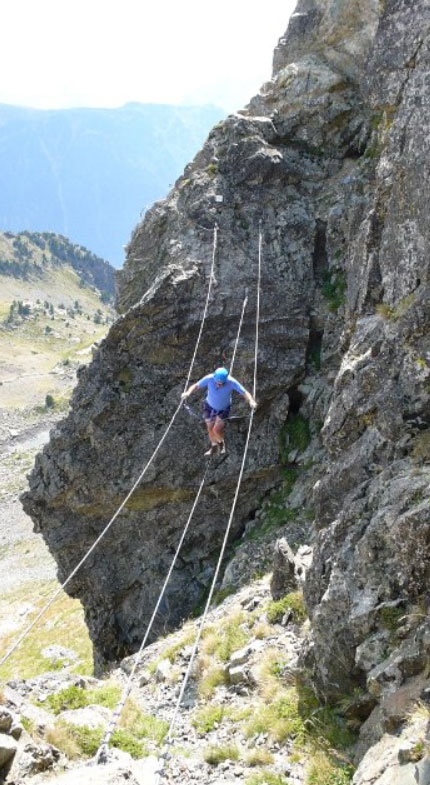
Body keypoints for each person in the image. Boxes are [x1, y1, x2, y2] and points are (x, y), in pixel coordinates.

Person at [181, 367, 257, 456]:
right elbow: (196, 386)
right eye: (217, 383)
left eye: (221, 384)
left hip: (224, 409)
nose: (218, 385)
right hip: (209, 406)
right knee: (209, 428)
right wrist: (187, 393)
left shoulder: (231, 382)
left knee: (216, 429)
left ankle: (221, 444)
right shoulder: (209, 378)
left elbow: (244, 392)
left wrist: (251, 400)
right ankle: (214, 447)